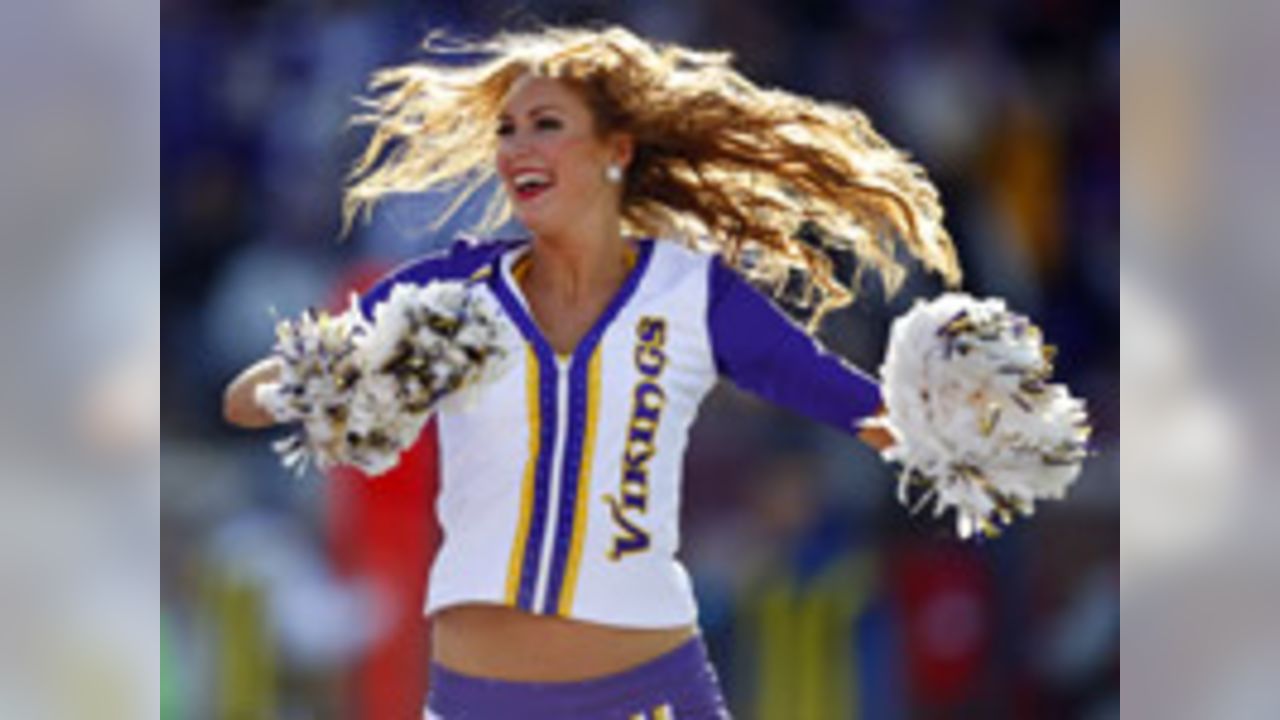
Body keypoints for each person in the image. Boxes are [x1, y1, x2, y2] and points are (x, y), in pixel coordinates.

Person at [224, 25, 960, 719]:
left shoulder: (693, 295)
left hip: (648, 696)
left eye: (545, 124)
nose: (518, 148)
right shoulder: (446, 297)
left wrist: (979, 434)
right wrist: (362, 374)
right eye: (506, 131)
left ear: (616, 149)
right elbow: (245, 400)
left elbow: (853, 404)